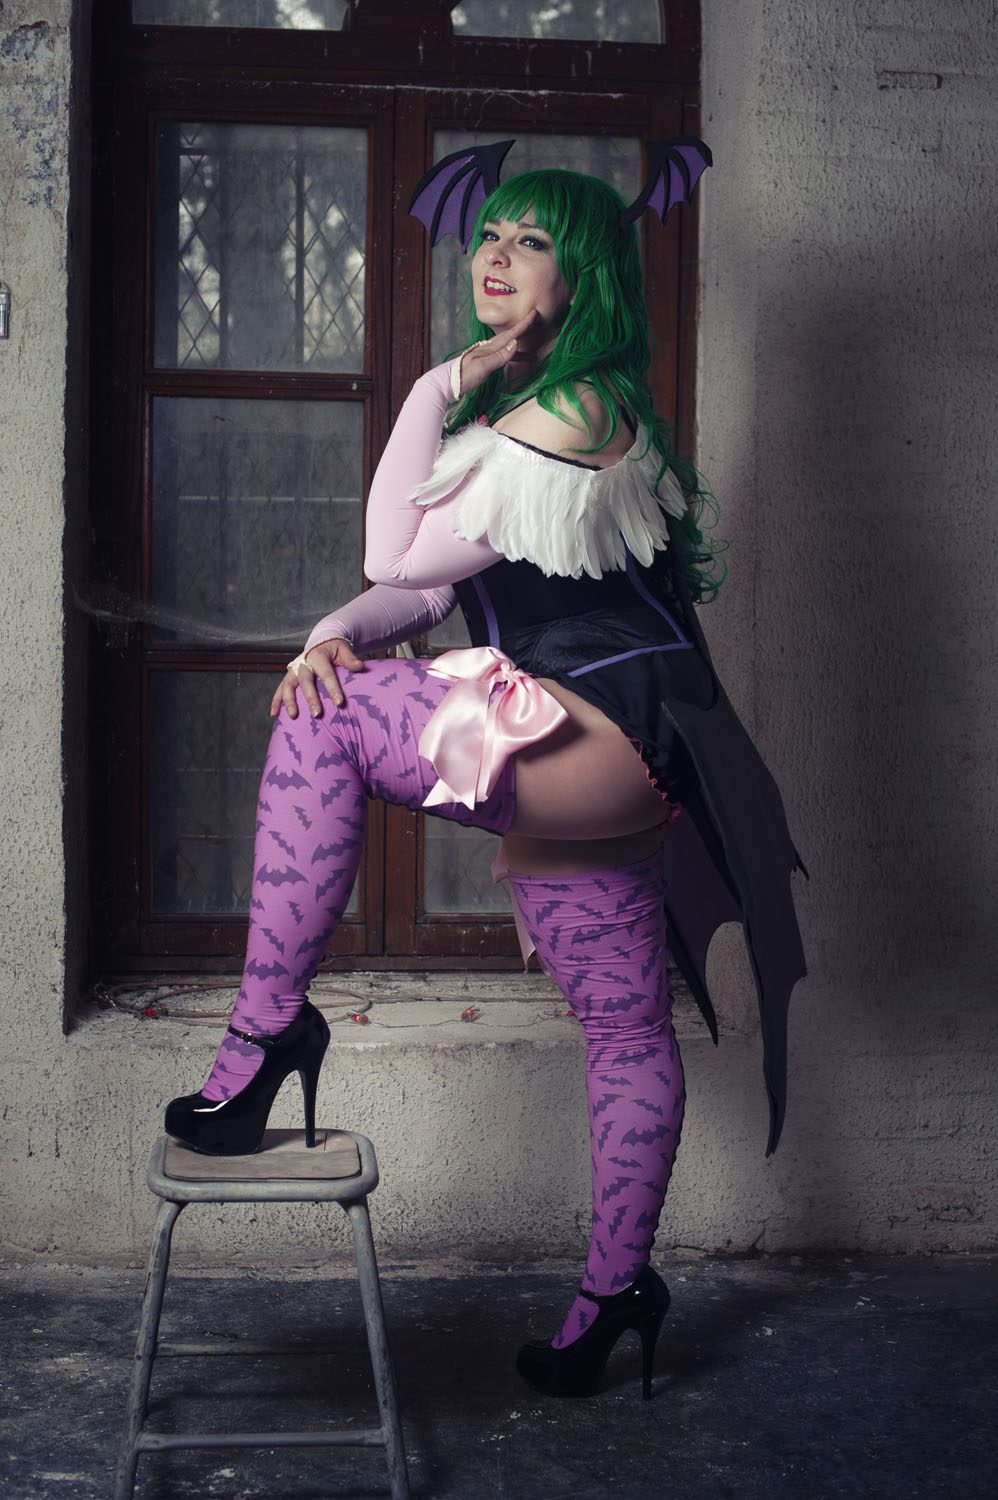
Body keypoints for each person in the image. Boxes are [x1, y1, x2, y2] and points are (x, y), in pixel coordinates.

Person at [164, 165, 806, 1400]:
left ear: (584, 276)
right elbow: (414, 592)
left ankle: (265, 1034)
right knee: (624, 1027)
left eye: (533, 242)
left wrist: (431, 384)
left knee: (325, 724)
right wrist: (327, 634)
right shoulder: (541, 414)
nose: (496, 256)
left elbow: (391, 548)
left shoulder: (565, 412)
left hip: (595, 726)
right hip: (616, 744)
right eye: (489, 235)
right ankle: (614, 1295)